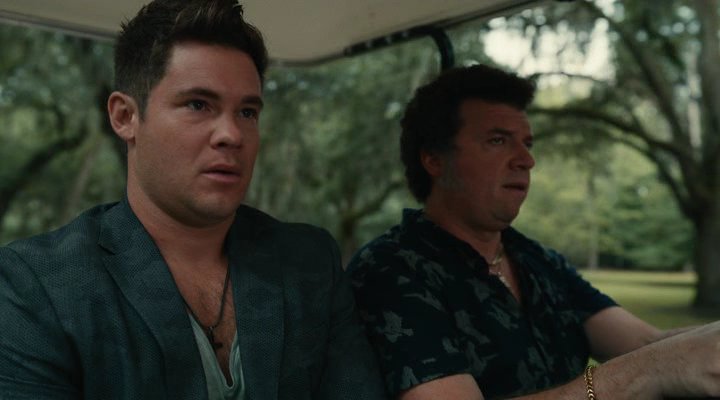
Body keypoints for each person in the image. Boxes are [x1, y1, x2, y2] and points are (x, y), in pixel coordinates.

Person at [0, 1, 387, 399]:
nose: (231, 135)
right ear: (125, 116)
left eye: (247, 112)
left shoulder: (308, 262)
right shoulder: (37, 286)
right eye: (198, 105)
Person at [348, 64, 720, 400]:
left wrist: (700, 346)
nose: (526, 160)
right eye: (497, 140)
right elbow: (653, 361)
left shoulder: (537, 260)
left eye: (526, 144)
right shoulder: (391, 270)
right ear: (434, 159)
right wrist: (646, 371)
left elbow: (648, 343)